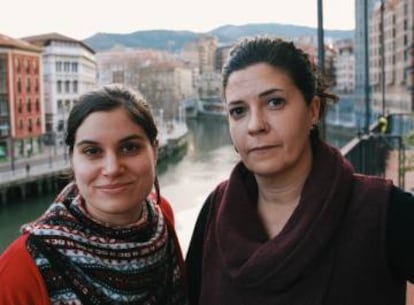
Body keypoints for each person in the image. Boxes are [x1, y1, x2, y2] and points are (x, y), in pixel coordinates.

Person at [185, 36, 414, 305]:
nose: (255, 125)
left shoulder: (382, 211)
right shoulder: (215, 210)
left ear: (313, 110)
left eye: (274, 102)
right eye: (238, 111)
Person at [0, 85, 188, 305]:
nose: (112, 168)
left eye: (129, 148)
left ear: (155, 151)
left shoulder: (162, 215)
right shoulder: (20, 270)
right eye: (92, 151)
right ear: (72, 160)